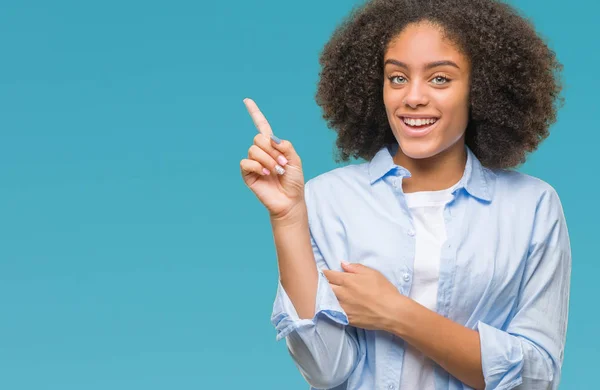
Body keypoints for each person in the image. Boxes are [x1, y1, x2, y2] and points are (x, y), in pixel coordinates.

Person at [240, 0, 571, 389]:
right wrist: (288, 218)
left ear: (480, 90)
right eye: (397, 78)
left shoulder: (532, 208)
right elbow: (326, 370)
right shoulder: (329, 199)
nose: (412, 97)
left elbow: (536, 376)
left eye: (440, 79)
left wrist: (396, 312)